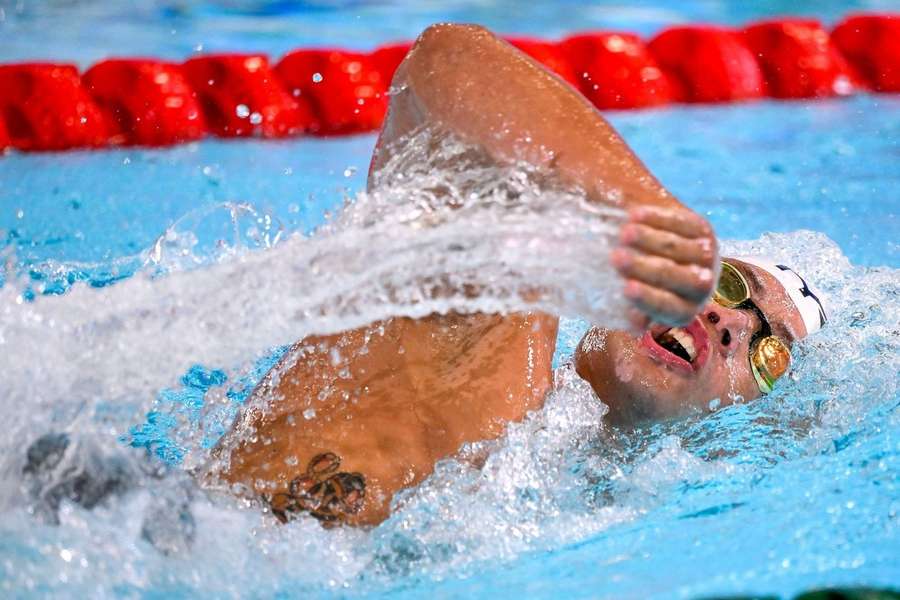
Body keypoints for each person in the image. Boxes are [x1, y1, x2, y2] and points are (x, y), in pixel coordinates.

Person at [210, 24, 827, 526]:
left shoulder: (592, 515)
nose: (730, 324)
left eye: (767, 353)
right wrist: (642, 208)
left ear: (742, 417)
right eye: (728, 284)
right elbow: (446, 58)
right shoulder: (497, 319)